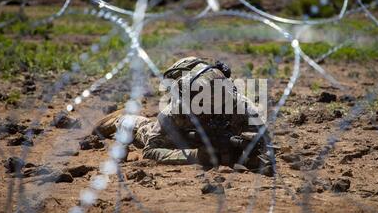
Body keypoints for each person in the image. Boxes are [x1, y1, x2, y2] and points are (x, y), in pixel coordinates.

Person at [93, 56, 275, 176]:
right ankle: (122, 119)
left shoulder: (242, 106)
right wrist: (195, 155)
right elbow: (150, 151)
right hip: (184, 139)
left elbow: (265, 149)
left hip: (210, 142)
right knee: (144, 130)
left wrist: (249, 153)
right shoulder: (175, 112)